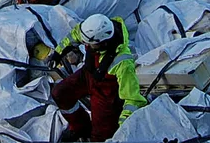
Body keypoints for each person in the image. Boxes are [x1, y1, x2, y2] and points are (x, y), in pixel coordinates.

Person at [47, 14, 147, 142]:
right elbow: (75, 35)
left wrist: (124, 124)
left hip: (107, 94)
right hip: (87, 76)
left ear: (102, 43)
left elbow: (133, 99)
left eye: (89, 44)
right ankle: (80, 129)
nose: (85, 44)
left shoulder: (123, 62)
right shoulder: (93, 30)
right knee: (60, 93)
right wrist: (57, 54)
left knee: (100, 136)